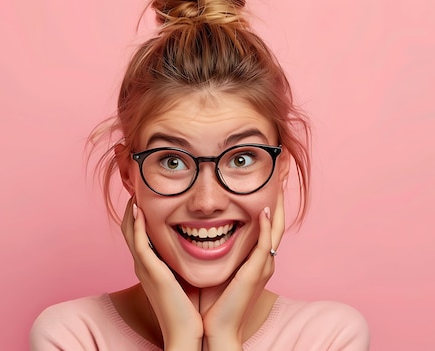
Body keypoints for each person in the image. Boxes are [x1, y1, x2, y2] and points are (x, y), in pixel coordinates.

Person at [30, 0, 370, 349]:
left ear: (281, 168)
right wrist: (181, 338)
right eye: (172, 161)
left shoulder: (329, 338)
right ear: (127, 172)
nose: (207, 202)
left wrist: (224, 337)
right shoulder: (73, 336)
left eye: (241, 159)